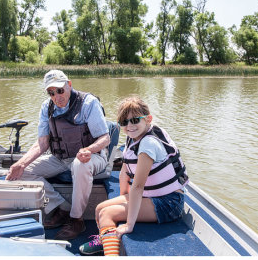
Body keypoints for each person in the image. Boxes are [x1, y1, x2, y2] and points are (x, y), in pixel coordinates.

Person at [6, 69, 110, 240]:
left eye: (60, 90)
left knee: (80, 164)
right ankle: (63, 206)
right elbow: (43, 143)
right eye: (51, 92)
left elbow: (105, 137)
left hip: (92, 156)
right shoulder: (46, 107)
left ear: (69, 85)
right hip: (60, 158)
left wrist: (88, 150)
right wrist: (21, 164)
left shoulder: (88, 103)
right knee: (21, 173)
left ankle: (76, 220)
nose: (56, 96)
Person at [79, 96, 188, 256]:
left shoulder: (148, 144)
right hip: (152, 196)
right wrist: (124, 195)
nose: (129, 125)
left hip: (169, 202)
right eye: (124, 122)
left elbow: (137, 186)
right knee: (99, 208)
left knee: (107, 214)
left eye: (135, 120)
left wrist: (129, 224)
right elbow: (125, 171)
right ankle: (106, 239)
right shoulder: (134, 137)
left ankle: (111, 254)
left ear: (148, 119)